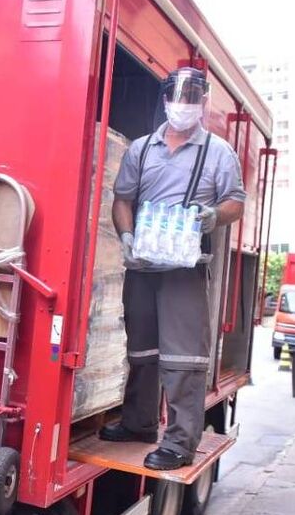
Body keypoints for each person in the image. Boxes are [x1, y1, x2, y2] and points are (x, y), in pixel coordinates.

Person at [98, 66, 245, 470]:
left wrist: (213, 216)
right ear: (165, 101)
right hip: (143, 264)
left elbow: (235, 201)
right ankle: (139, 423)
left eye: (193, 97)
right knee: (141, 350)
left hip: (184, 268)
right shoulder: (142, 149)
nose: (184, 105)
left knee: (184, 357)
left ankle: (180, 442)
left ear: (202, 104)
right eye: (179, 96)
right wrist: (126, 236)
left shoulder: (218, 152)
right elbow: (123, 199)